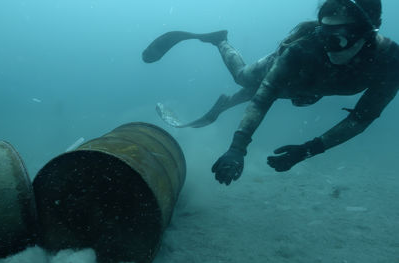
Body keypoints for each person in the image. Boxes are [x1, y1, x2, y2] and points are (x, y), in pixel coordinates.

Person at [143, 0, 398, 185]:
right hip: (288, 75)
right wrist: (237, 148)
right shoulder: (301, 51)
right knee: (244, 78)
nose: (328, 46)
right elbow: (265, 96)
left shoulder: (391, 61)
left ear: (368, 33)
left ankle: (226, 103)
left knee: (294, 96)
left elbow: (362, 118)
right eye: (324, 34)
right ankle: (219, 39)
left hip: (308, 88)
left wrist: (309, 149)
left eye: (338, 38)